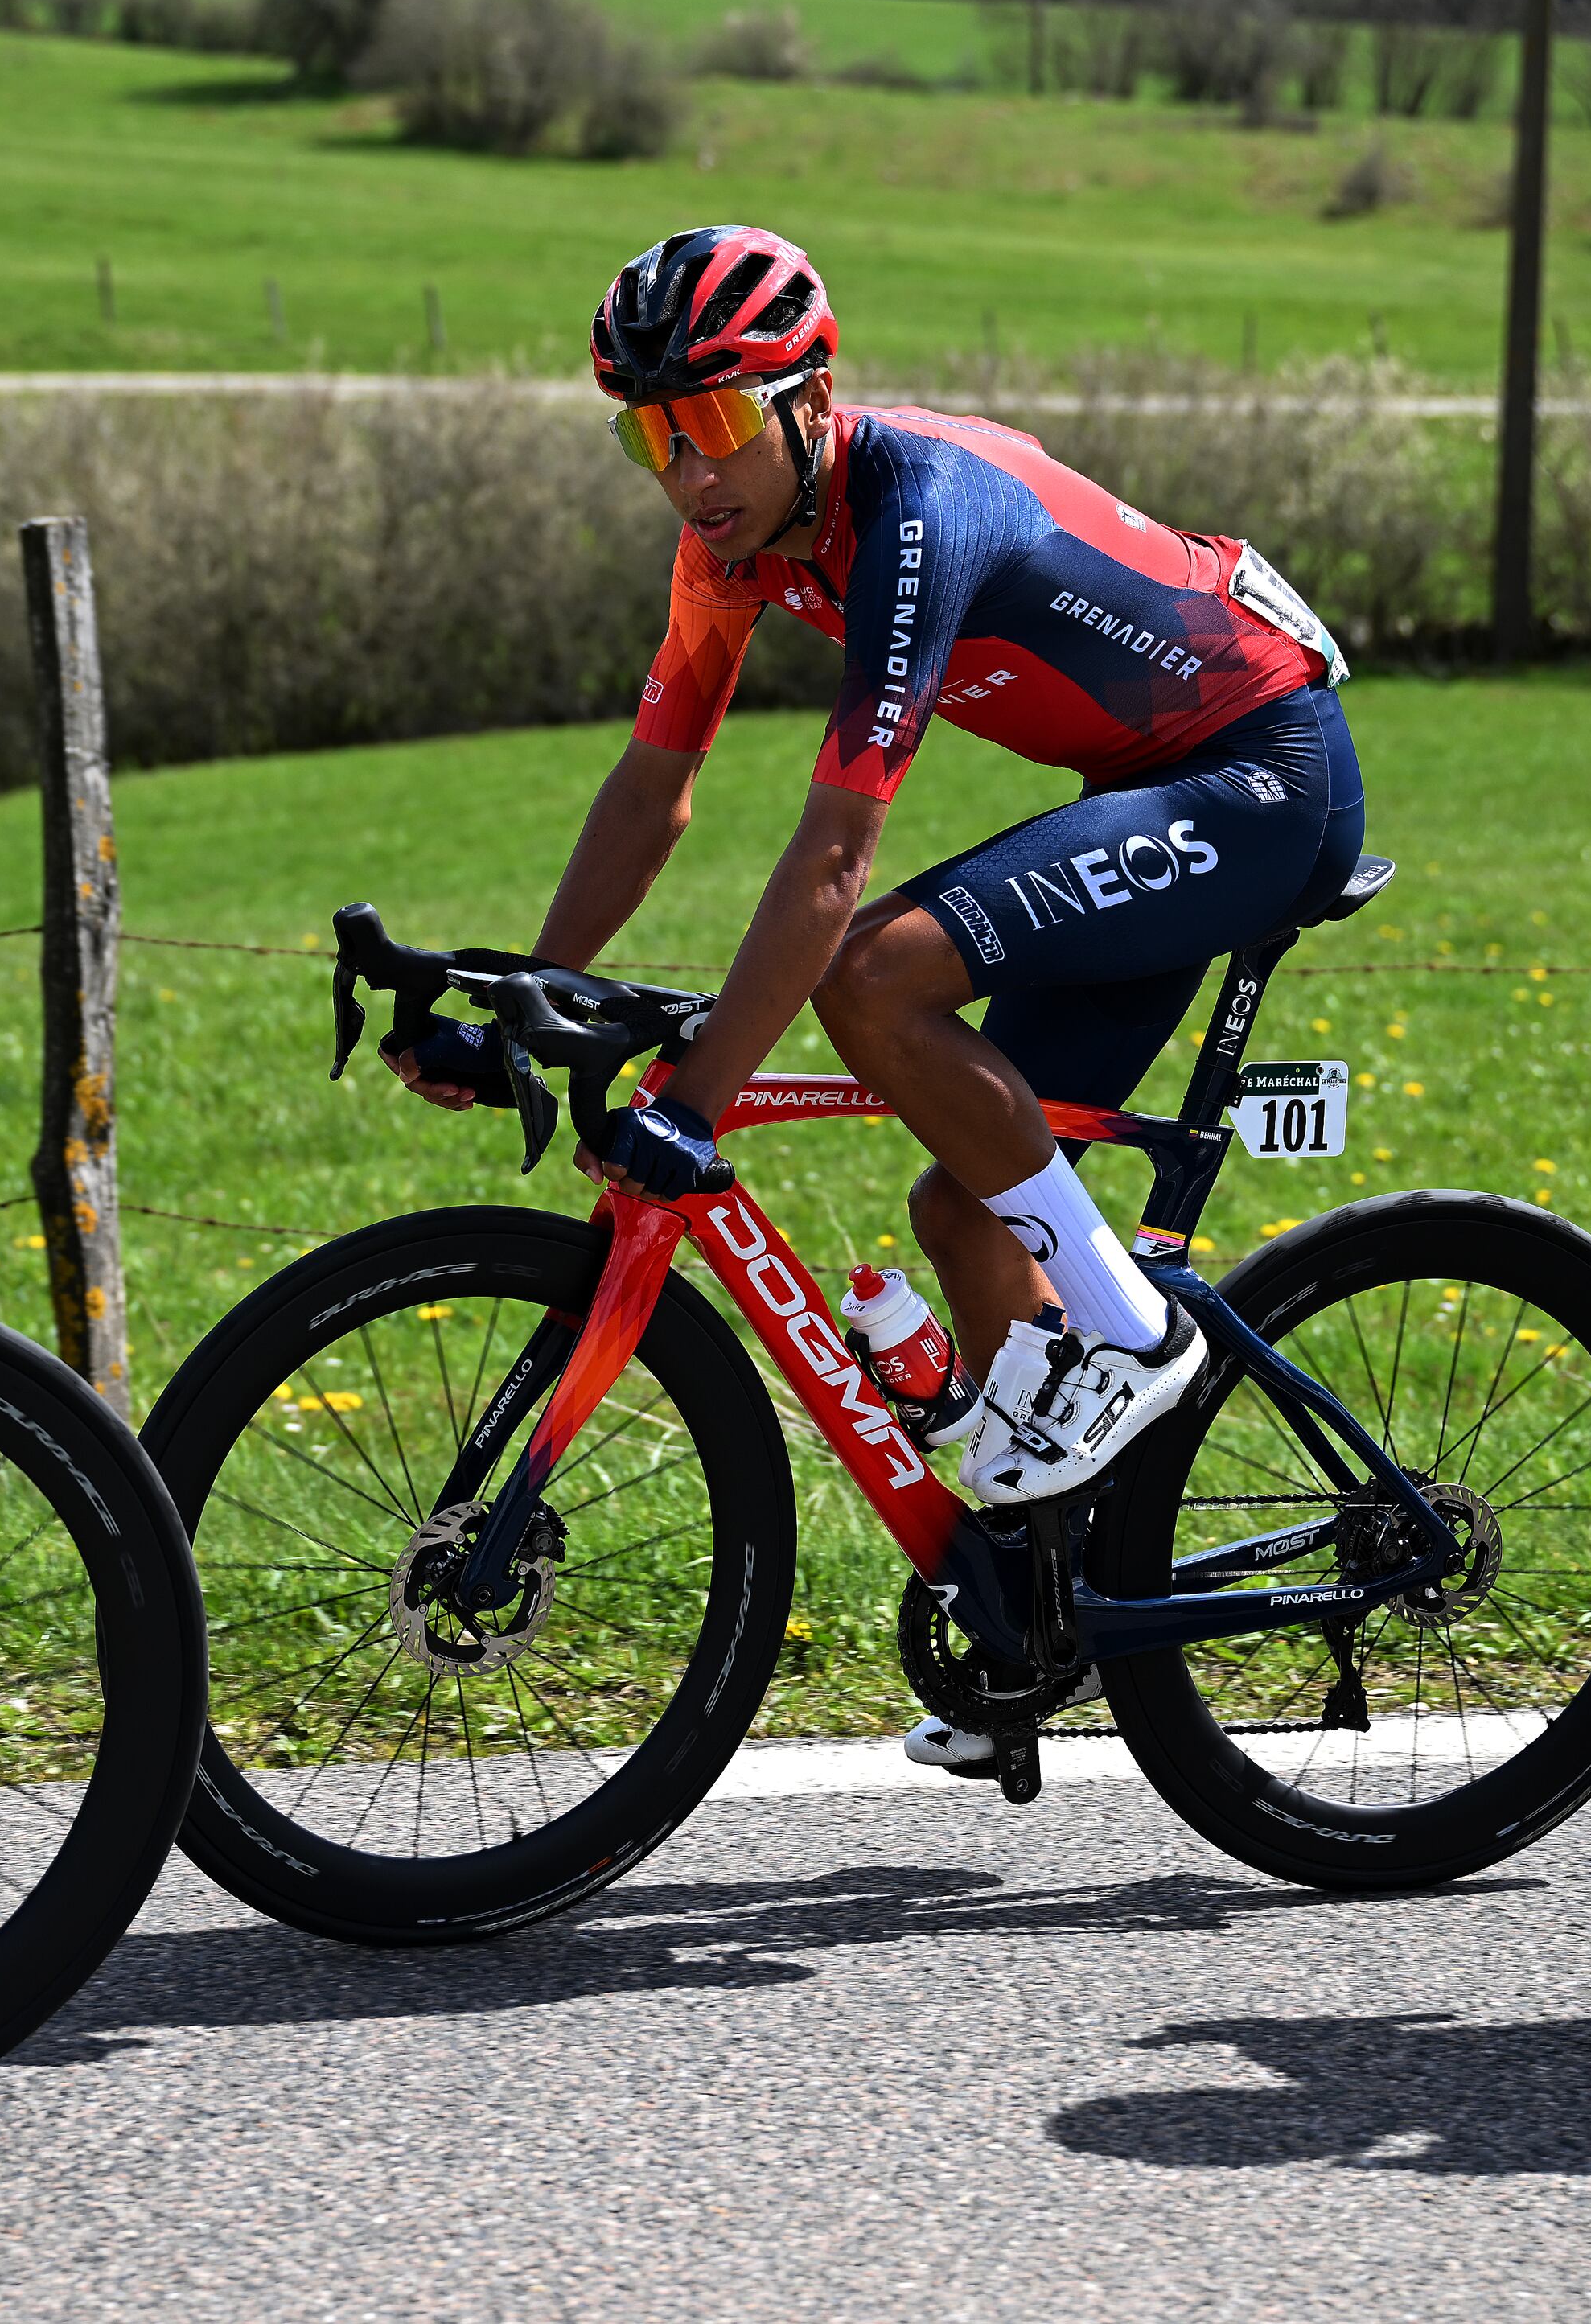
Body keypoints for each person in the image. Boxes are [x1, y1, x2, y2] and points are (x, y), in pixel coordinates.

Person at [388, 225, 1365, 1770]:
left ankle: (1134, 1335)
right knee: (964, 1206)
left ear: (810, 396)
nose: (688, 471)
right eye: (652, 434)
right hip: (1153, 783)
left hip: (1260, 774)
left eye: (712, 421)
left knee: (877, 978)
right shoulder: (730, 554)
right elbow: (655, 791)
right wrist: (528, 998)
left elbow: (839, 853)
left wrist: (694, 1107)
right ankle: (1048, 1620)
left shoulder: (918, 508)